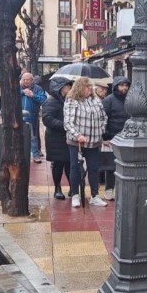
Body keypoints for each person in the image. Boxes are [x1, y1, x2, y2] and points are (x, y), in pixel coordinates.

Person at [64, 77, 108, 208]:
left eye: (90, 86)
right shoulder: (72, 100)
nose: (90, 88)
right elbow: (68, 122)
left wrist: (101, 129)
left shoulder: (95, 100)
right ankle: (75, 195)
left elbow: (103, 117)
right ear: (79, 88)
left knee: (94, 168)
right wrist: (78, 135)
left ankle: (95, 195)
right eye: (87, 86)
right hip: (77, 142)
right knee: (75, 168)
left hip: (94, 141)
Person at [41, 76, 73, 201]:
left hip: (68, 138)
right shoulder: (51, 102)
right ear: (60, 88)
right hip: (56, 139)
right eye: (67, 87)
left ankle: (72, 188)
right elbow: (47, 119)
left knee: (70, 164)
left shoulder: (69, 101)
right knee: (58, 164)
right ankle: (57, 188)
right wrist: (65, 126)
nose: (69, 89)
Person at [101, 76, 129, 200]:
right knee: (111, 166)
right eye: (122, 85)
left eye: (126, 85)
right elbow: (103, 119)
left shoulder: (130, 100)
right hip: (112, 138)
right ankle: (109, 189)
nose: (125, 88)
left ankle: (123, 189)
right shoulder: (108, 101)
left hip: (127, 138)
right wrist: (105, 137)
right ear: (116, 86)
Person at [20, 72, 47, 163]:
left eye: (28, 79)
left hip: (32, 116)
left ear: (32, 80)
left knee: (33, 137)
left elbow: (43, 99)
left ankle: (35, 155)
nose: (26, 81)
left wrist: (33, 95)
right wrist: (22, 92)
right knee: (19, 137)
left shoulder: (37, 88)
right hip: (18, 117)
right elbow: (12, 96)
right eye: (24, 79)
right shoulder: (18, 87)